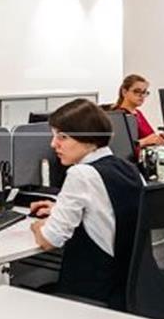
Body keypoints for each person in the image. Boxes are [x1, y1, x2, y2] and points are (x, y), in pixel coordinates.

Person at [26, 99, 145, 308]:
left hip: (93, 293)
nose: (53, 144)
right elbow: (108, 211)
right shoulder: (129, 169)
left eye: (62, 137)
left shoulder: (81, 173)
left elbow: (49, 240)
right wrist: (59, 209)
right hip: (126, 292)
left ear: (88, 138)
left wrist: (37, 226)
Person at [110, 73, 164, 148]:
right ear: (124, 92)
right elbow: (122, 147)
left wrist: (159, 137)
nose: (142, 95)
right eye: (137, 91)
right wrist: (145, 141)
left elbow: (149, 135)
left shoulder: (138, 113)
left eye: (144, 92)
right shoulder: (119, 116)